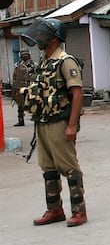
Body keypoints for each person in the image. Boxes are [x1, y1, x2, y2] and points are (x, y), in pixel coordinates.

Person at [19, 18, 89, 227]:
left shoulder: (65, 61)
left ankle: (79, 211)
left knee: (69, 167)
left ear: (54, 39)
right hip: (42, 121)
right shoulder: (43, 62)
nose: (39, 37)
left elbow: (77, 93)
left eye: (43, 34)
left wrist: (72, 125)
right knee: (48, 167)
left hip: (59, 121)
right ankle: (54, 210)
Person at [11, 48, 36, 126]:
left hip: (30, 86)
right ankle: (21, 120)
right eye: (23, 54)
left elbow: (37, 75)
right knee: (20, 104)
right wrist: (14, 87)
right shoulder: (18, 65)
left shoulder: (34, 65)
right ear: (20, 56)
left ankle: (37, 119)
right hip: (20, 87)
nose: (25, 56)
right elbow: (15, 76)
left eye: (26, 54)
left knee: (34, 103)